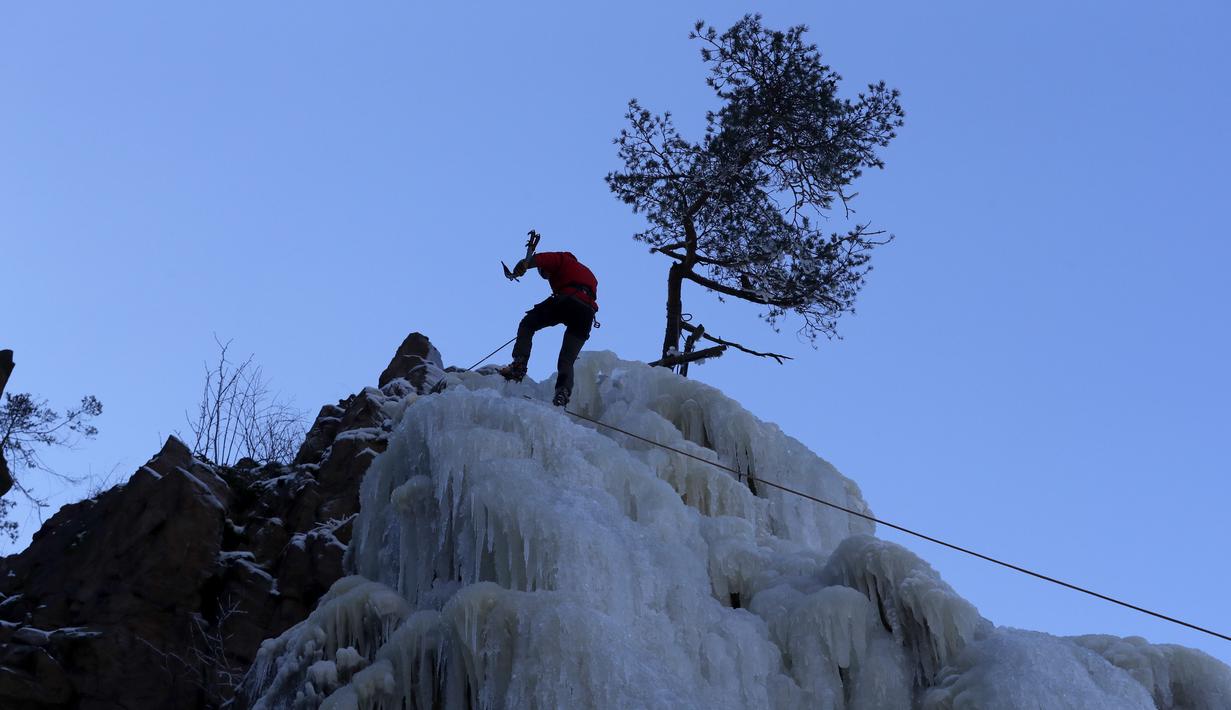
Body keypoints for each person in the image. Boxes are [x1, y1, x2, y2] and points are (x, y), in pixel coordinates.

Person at [497, 251, 598, 407]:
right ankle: (562, 393)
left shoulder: (562, 259)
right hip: (586, 313)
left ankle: (519, 364)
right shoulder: (587, 272)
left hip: (568, 300)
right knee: (567, 359)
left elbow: (542, 259)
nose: (547, 277)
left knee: (528, 324)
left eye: (545, 274)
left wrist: (526, 263)